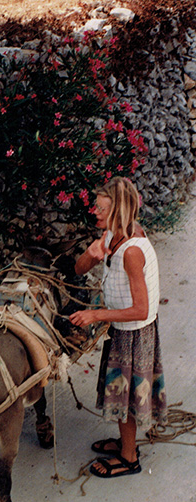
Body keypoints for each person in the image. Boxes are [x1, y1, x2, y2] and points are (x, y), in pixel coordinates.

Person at [70, 177, 167, 478]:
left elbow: (142, 309)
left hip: (134, 334)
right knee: (121, 395)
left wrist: (96, 314)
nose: (94, 212)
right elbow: (78, 269)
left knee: (124, 398)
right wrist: (92, 253)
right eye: (96, 206)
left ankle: (129, 457)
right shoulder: (113, 235)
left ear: (119, 211)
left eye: (101, 209)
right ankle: (125, 442)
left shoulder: (132, 251)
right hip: (122, 330)